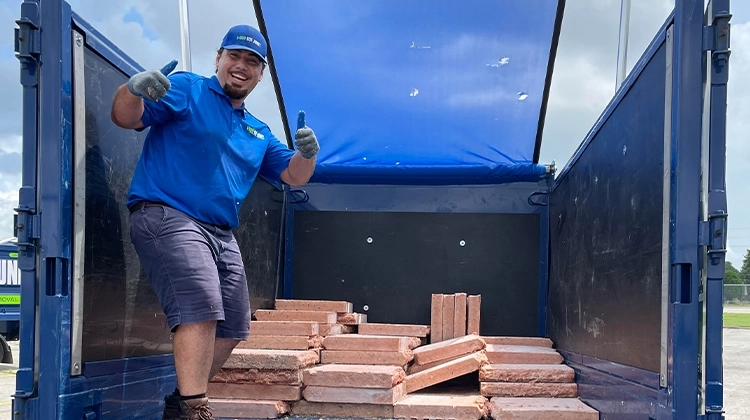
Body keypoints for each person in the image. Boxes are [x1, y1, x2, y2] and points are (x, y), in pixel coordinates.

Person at [110, 24, 318, 419]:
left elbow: (294, 175)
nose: (241, 66)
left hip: (220, 233)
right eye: (234, 56)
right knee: (203, 307)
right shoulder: (188, 88)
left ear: (260, 74)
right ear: (218, 59)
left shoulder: (258, 130)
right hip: (168, 214)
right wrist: (132, 90)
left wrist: (306, 154)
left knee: (236, 325)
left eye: (252, 62)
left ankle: (180, 401)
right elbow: (125, 117)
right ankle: (193, 408)